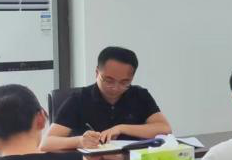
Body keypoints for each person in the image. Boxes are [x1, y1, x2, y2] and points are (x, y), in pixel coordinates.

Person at [42, 46, 171, 151]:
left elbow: (165, 129)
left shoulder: (139, 95)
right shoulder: (78, 99)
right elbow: (46, 143)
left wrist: (121, 128)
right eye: (109, 81)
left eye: (124, 82)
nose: (115, 88)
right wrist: (79, 141)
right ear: (97, 73)